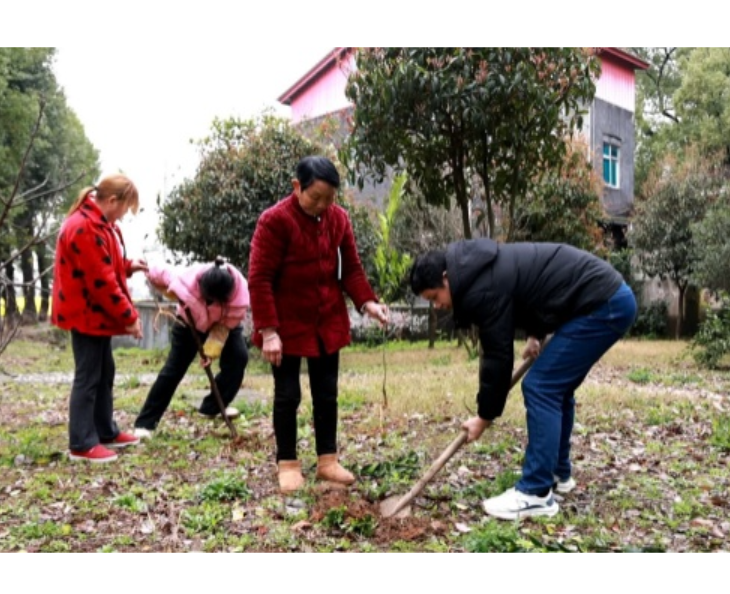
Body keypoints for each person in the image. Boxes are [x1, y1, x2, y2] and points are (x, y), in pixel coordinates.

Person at [409, 238, 637, 520]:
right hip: (607, 299)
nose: (437, 306)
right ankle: (558, 473)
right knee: (557, 387)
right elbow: (532, 290)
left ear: (446, 277)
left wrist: (484, 416)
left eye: (434, 297)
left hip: (602, 305)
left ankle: (535, 493)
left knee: (542, 386)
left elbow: (497, 356)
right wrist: (535, 334)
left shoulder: (481, 289)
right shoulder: (480, 270)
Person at [249, 156, 390, 494]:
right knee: (288, 394)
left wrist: (367, 302)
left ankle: (327, 460)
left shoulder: (338, 219)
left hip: (327, 319)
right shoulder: (274, 221)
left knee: (327, 393)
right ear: (297, 187)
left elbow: (351, 269)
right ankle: (287, 463)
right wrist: (269, 331)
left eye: (329, 198)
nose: (322, 206)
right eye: (315, 198)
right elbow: (260, 278)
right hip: (286, 322)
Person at [52, 174, 148, 464]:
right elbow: (102, 281)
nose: (123, 216)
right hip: (85, 314)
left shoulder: (97, 223)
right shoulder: (84, 227)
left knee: (104, 372)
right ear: (112, 201)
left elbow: (105, 262)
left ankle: (105, 431)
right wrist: (130, 317)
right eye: (124, 208)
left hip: (94, 314)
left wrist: (128, 266)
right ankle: (81, 442)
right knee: (89, 377)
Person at [133, 258, 250, 438]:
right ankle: (145, 424)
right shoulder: (187, 278)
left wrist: (211, 351)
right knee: (173, 370)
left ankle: (212, 408)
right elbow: (160, 271)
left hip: (222, 325)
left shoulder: (239, 296)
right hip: (188, 323)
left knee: (238, 358)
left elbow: (223, 328)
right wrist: (147, 269)